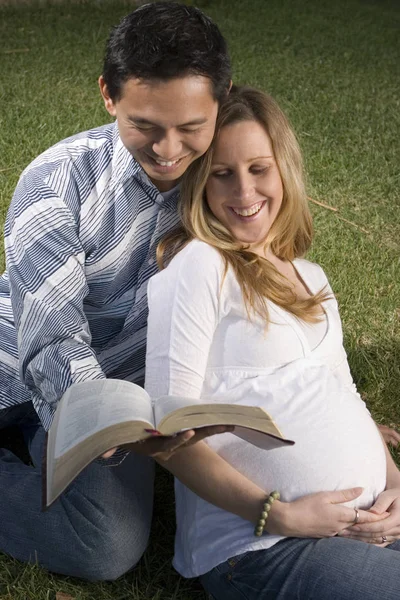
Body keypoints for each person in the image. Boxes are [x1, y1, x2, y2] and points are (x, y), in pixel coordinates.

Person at [0, 2, 232, 581]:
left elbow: (269, 299)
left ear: (221, 98)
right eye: (145, 125)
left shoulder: (235, 187)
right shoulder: (56, 180)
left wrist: (305, 401)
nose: (168, 150)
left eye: (191, 127)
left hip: (128, 400)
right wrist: (95, 424)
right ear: (108, 94)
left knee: (104, 544)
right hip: (26, 364)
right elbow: (53, 337)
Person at [145, 86, 400, 599]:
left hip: (373, 527)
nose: (243, 191)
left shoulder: (311, 275)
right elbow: (165, 434)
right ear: (201, 182)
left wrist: (394, 484)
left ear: (284, 168)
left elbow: (344, 394)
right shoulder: (201, 266)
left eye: (258, 169)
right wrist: (280, 514)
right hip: (264, 547)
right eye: (223, 173)